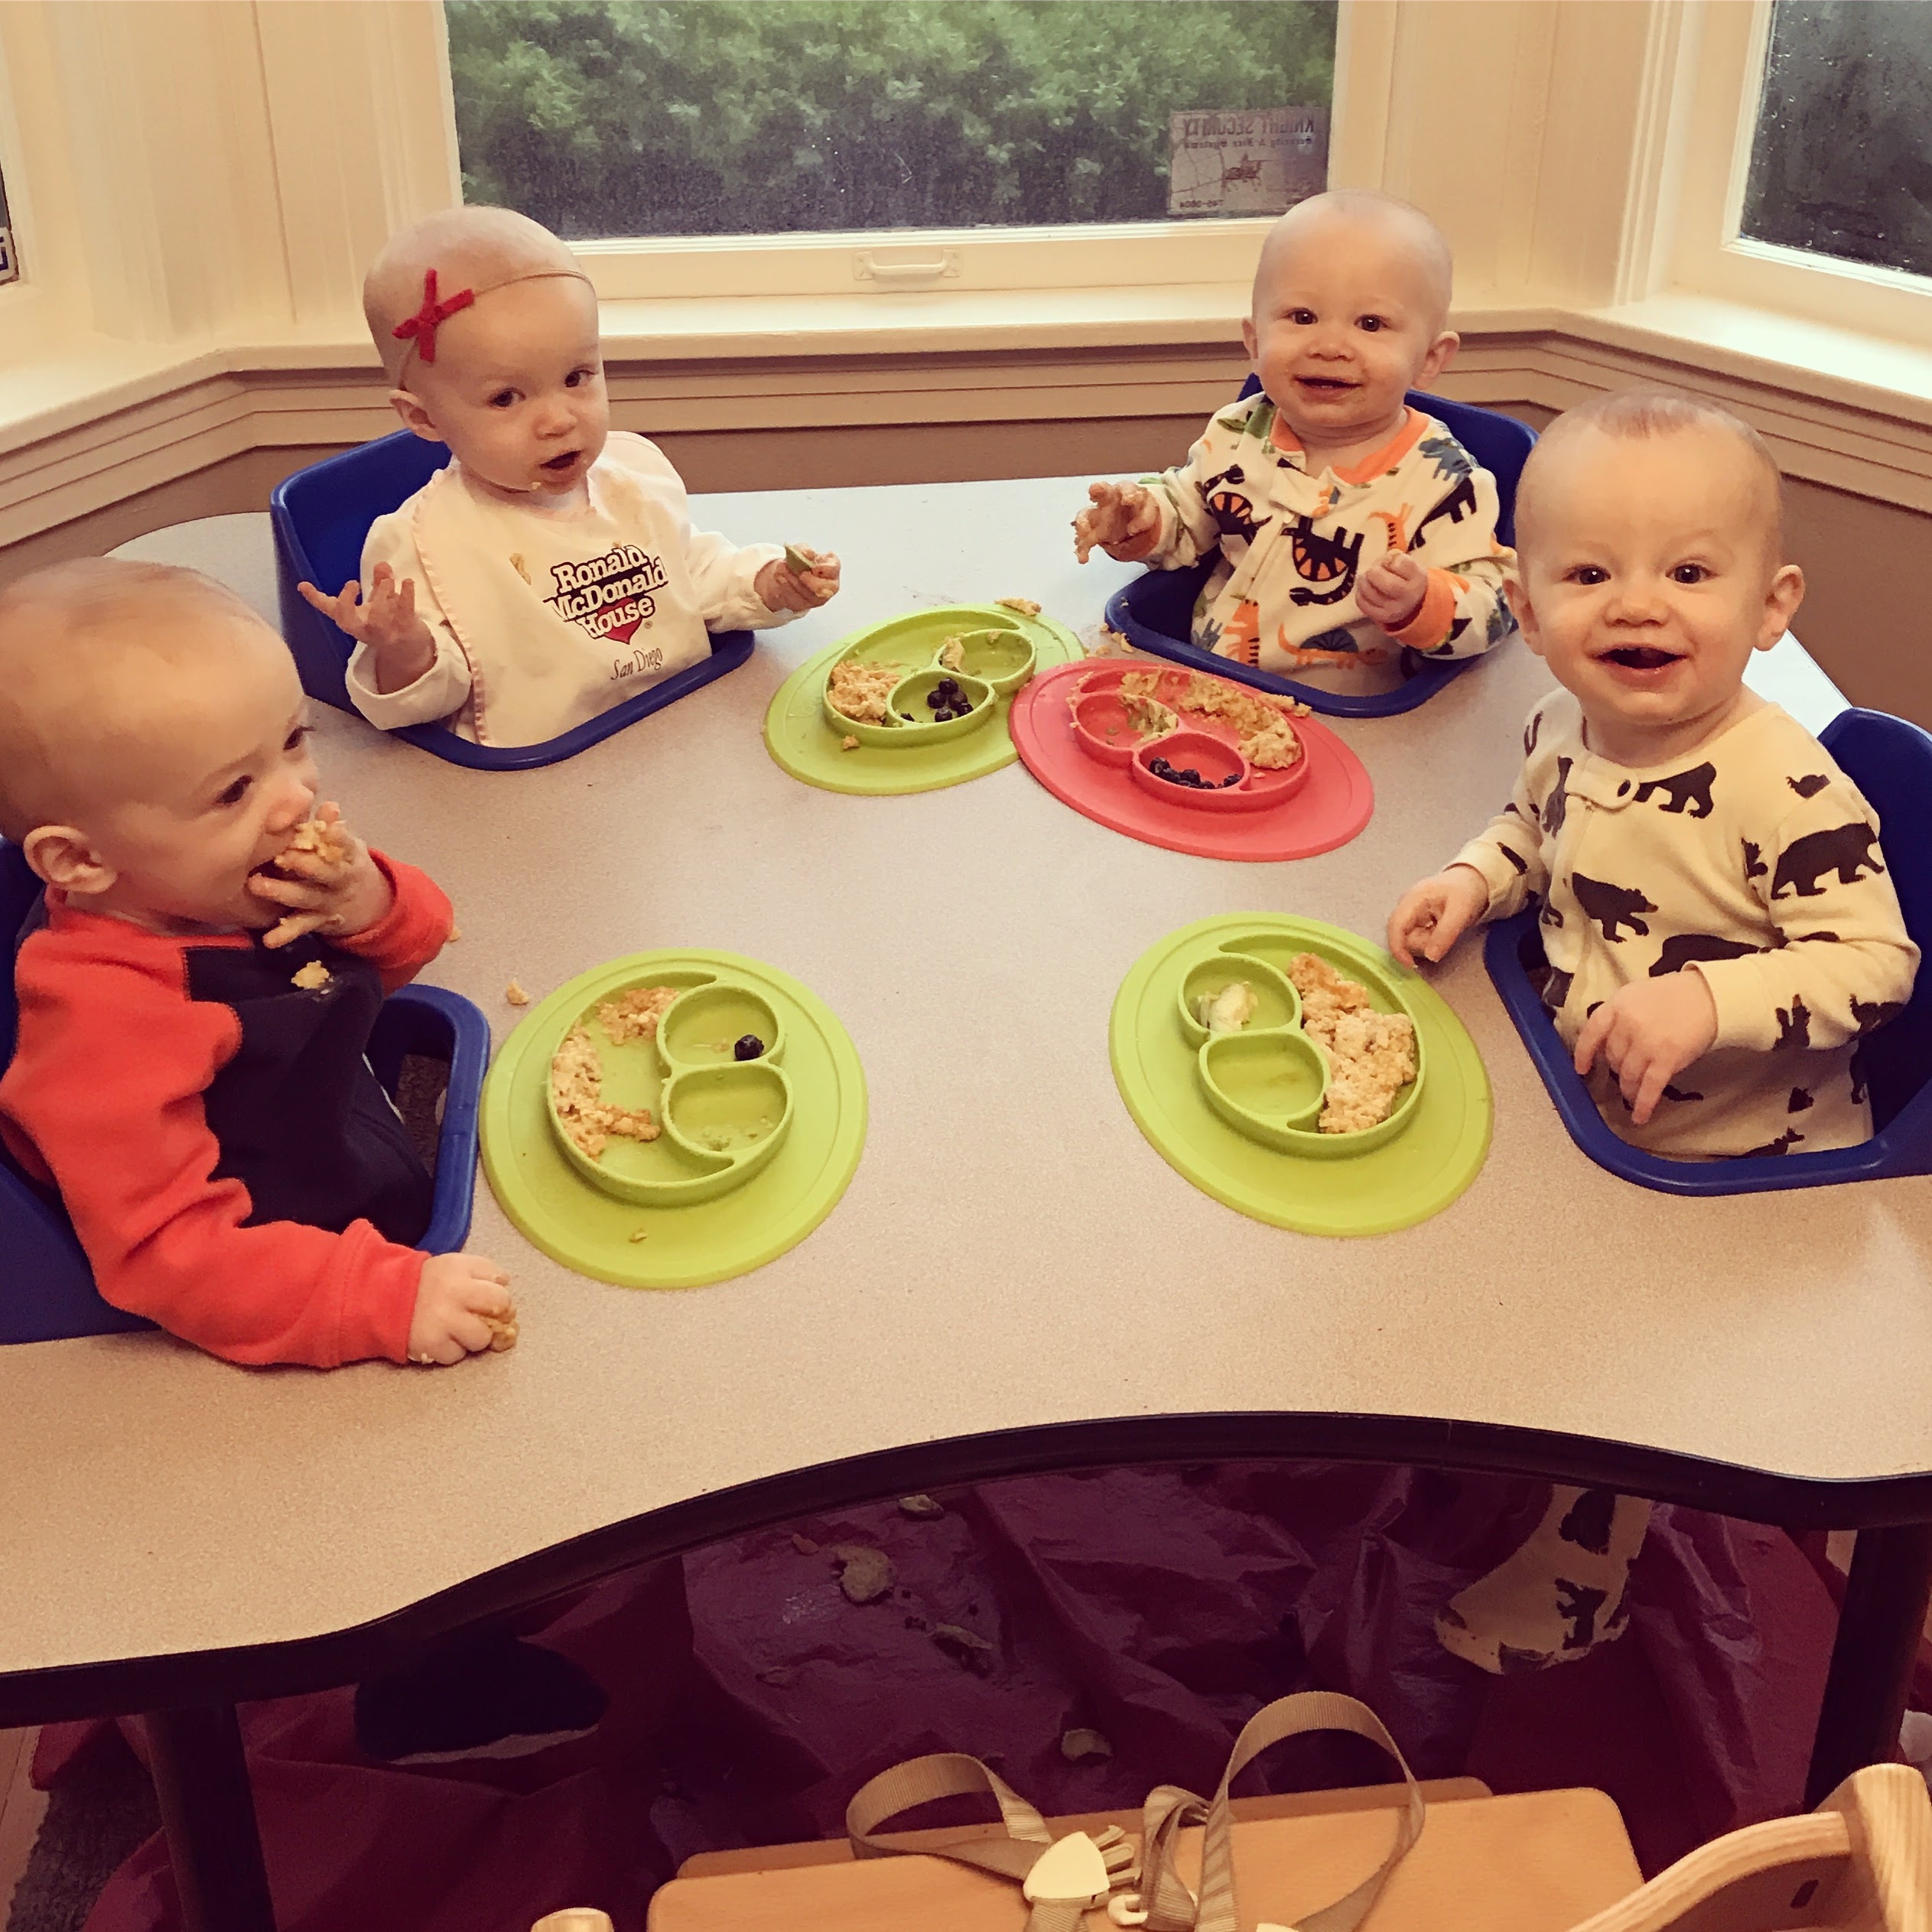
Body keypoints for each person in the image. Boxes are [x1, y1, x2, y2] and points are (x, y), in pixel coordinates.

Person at [1387, 388, 1918, 1673]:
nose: (1635, 604)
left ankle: (1585, 1569)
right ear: (1522, 595)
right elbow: (1534, 834)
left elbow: (1878, 959)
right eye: (1589, 572)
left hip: (1743, 1170)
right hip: (1595, 1103)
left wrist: (1705, 999)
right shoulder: (1567, 722)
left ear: (1771, 604)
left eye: (1687, 571)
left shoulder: (1781, 783)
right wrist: (1471, 880)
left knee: (1621, 1388)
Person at [0, 558, 512, 1368]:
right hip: (292, 1262)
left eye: (292, 741)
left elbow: (418, 945)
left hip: (343, 1123)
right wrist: (375, 1298)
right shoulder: (103, 1030)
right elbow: (166, 1260)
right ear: (80, 861)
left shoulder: (214, 870)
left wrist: (364, 901)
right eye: (234, 789)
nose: (295, 799)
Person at [299, 206, 842, 748]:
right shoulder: (418, 543)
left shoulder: (635, 476)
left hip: (684, 736)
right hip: (542, 790)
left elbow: (693, 574)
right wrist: (403, 649)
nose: (559, 420)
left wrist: (768, 583)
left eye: (576, 377)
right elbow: (425, 703)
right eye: (506, 397)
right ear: (424, 417)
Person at [1073, 189, 1514, 681]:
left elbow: (1497, 600)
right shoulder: (1237, 431)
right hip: (1208, 683)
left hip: (1348, 719)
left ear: (1430, 359)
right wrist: (1141, 520)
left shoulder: (1446, 482)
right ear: (1255, 343)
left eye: (1371, 323)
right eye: (1302, 317)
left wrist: (1423, 603)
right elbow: (1188, 516)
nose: (1329, 346)